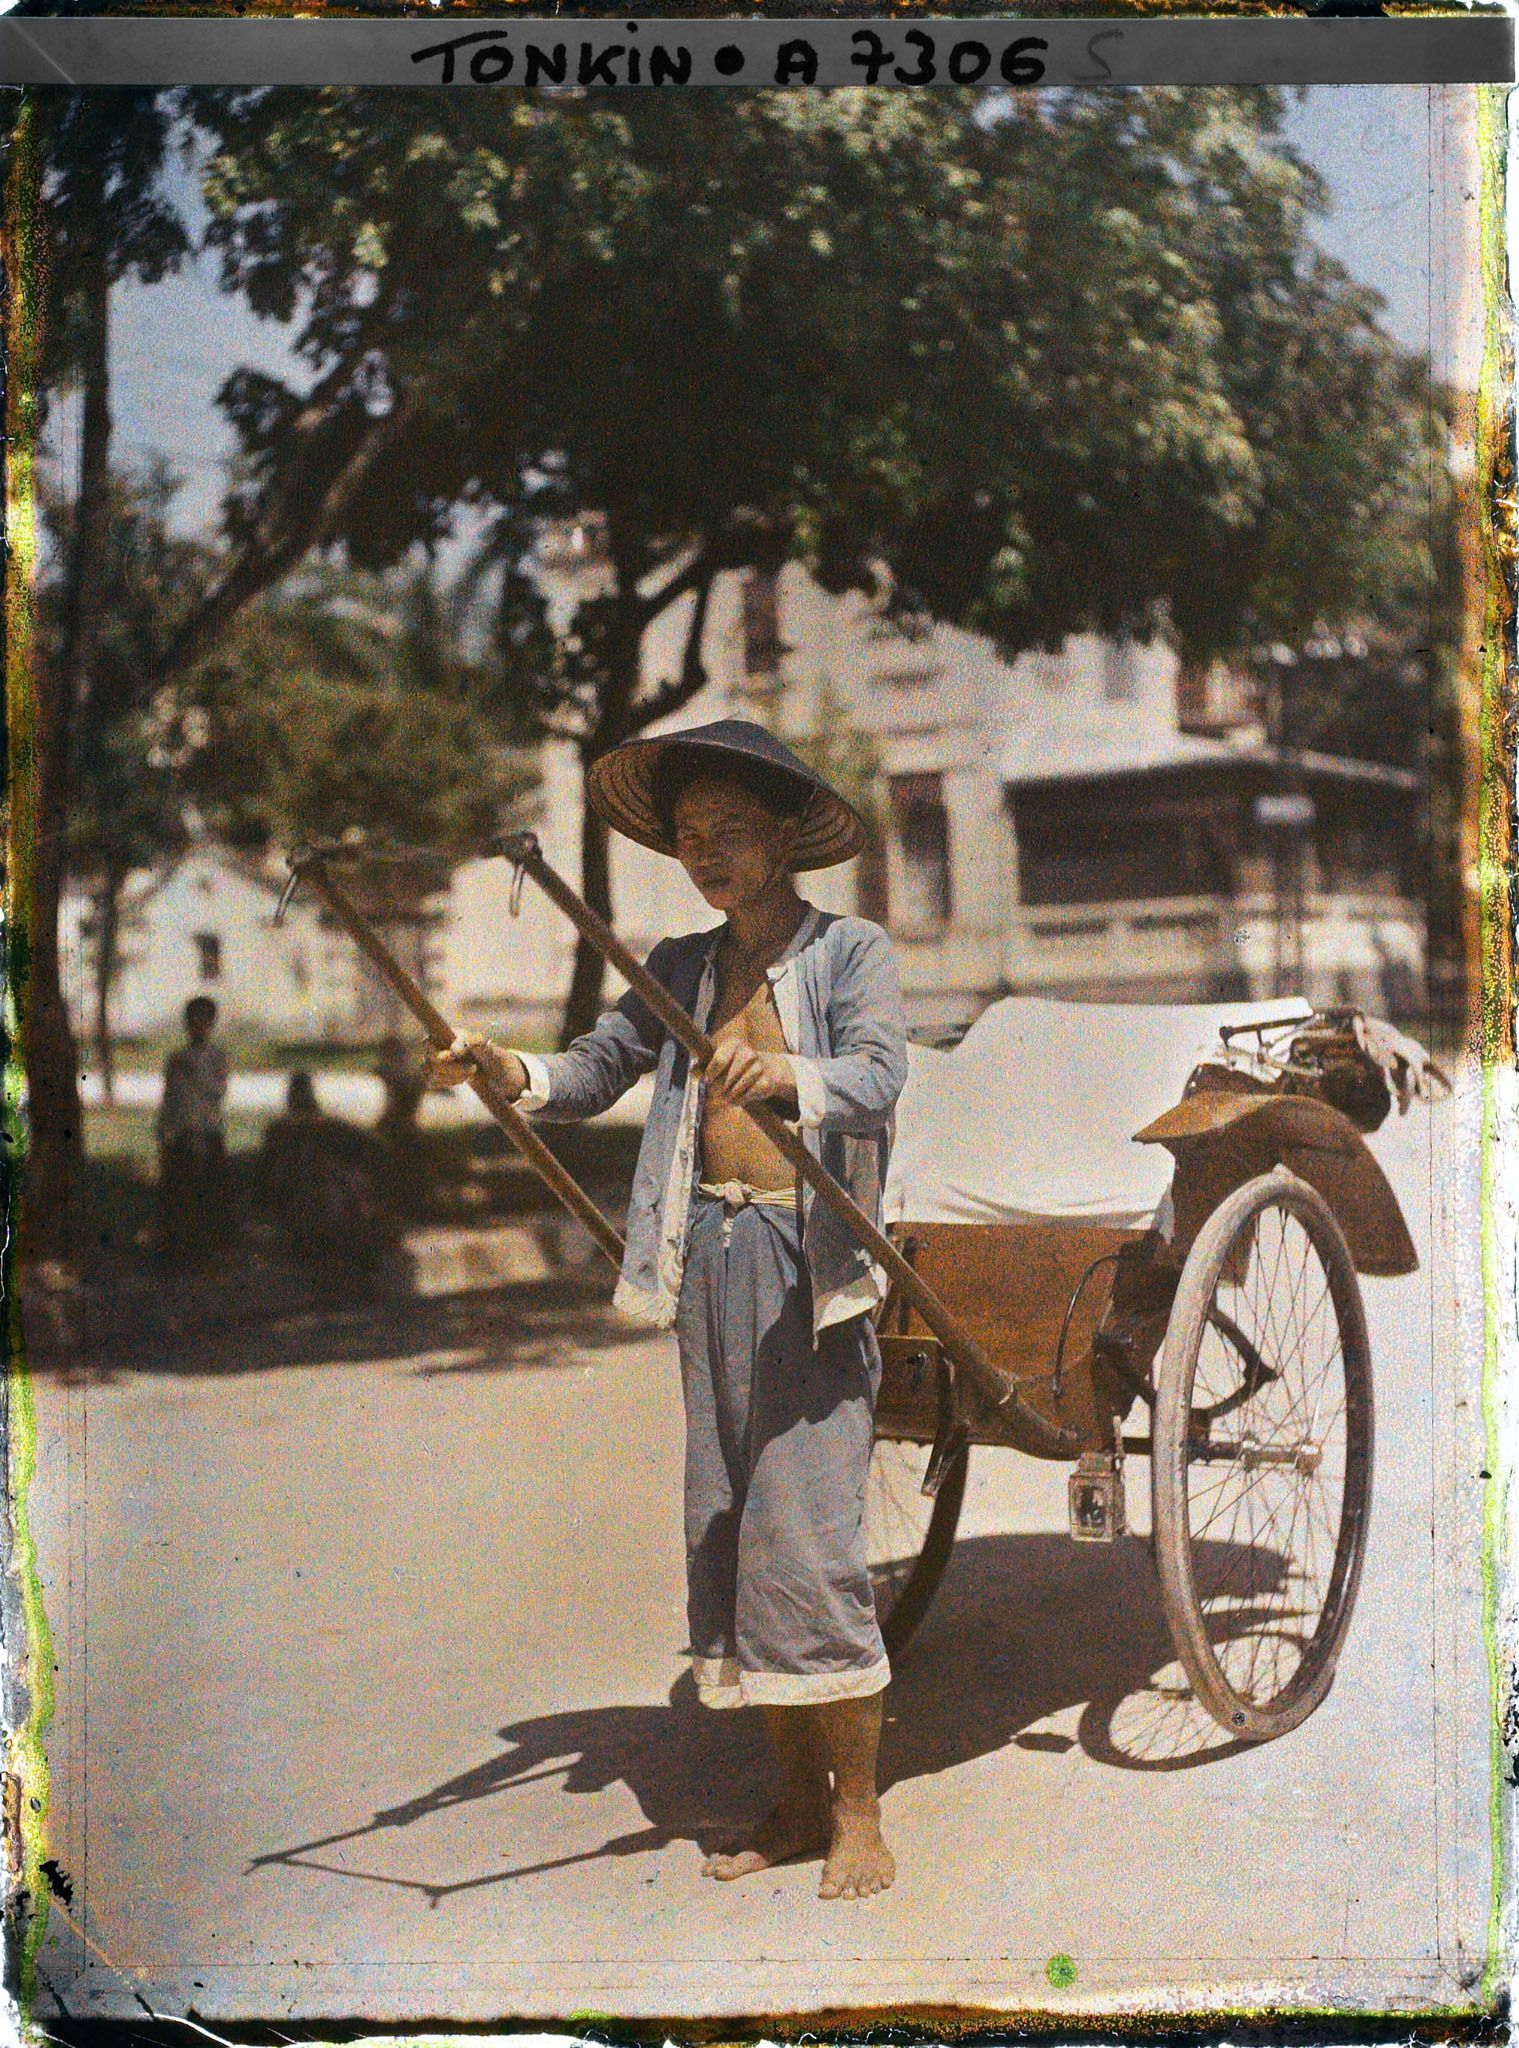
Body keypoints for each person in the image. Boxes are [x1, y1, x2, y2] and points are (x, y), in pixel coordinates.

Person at [426, 719, 908, 1900]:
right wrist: (506, 1069)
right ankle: (795, 1801)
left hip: (812, 1270)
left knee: (808, 1543)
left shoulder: (849, 950)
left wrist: (795, 1074)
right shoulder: (679, 965)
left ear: (785, 836)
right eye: (690, 837)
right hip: (710, 1258)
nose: (706, 854)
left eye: (730, 832)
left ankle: (859, 1813)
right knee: (734, 1527)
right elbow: (594, 1067)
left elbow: (883, 1070)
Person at [259, 1070, 393, 1288]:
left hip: (317, 1198)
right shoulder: (288, 1133)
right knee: (334, 1198)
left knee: (339, 1194)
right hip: (306, 1200)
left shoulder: (310, 1130)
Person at [156, 994, 229, 1266]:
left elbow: (217, 1092)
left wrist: (194, 1072)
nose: (197, 1027)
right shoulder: (176, 1058)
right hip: (182, 1135)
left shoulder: (216, 1057)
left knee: (207, 1197)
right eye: (193, 1021)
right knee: (180, 1197)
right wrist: (164, 1131)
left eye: (203, 1022)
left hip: (208, 1132)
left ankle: (208, 1252)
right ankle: (181, 1254)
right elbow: (169, 1098)